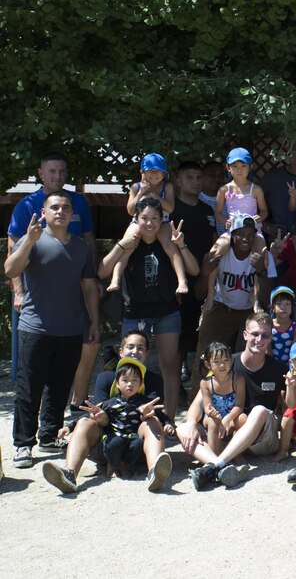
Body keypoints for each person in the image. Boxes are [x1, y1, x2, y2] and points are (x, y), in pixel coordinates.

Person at [5, 191, 99, 468]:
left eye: (66, 208)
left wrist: (94, 321)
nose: (61, 211)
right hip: (35, 327)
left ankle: (48, 436)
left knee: (59, 387)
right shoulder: (32, 240)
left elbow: (89, 287)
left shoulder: (81, 247)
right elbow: (10, 270)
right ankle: (23, 444)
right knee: (29, 388)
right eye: (55, 207)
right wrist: (28, 241)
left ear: (72, 214)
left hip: (70, 328)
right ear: (44, 212)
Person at [7, 153, 97, 413]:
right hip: (38, 290)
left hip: (75, 286)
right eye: (52, 171)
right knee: (32, 368)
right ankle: (26, 430)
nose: (58, 176)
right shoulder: (27, 205)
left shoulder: (77, 202)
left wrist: (93, 278)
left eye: (62, 171)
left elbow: (89, 241)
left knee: (83, 347)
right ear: (41, 174)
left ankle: (75, 406)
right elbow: (14, 247)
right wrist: (18, 290)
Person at [41, 331, 166, 493]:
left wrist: (149, 416)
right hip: (107, 445)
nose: (135, 351)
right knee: (85, 421)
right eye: (130, 347)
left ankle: (154, 472)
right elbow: (96, 412)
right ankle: (69, 474)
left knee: (152, 421)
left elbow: (160, 415)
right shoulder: (105, 378)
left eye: (140, 348)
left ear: (147, 354)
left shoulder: (154, 380)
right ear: (121, 351)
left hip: (138, 448)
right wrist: (83, 423)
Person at [184, 313, 287, 490]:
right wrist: (191, 423)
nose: (259, 339)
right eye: (255, 334)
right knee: (182, 429)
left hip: (260, 439)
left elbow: (289, 408)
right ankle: (217, 464)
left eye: (265, 335)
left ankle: (217, 464)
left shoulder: (278, 369)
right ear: (245, 335)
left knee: (259, 410)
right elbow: (199, 400)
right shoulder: (226, 362)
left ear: (271, 338)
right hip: (227, 432)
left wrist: (286, 443)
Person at [73, 357, 173, 491]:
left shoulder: (144, 403)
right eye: (125, 380)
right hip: (114, 436)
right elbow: (88, 416)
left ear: (141, 384)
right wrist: (69, 427)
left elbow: (162, 416)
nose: (130, 384)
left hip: (133, 437)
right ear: (117, 384)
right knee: (114, 442)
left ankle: (134, 468)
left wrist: (168, 424)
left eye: (135, 380)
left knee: (137, 443)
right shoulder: (110, 403)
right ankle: (112, 465)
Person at [197, 214, 277, 365]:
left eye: (250, 235)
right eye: (240, 234)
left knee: (264, 347)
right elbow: (198, 294)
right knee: (206, 354)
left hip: (250, 310)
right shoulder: (222, 253)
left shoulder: (262, 256)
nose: (246, 239)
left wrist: (261, 271)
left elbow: (267, 299)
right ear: (232, 236)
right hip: (222, 306)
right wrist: (204, 274)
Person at [107, 153, 187, 294]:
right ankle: (115, 278)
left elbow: (170, 208)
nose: (154, 174)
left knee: (170, 246)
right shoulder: (136, 187)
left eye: (158, 171)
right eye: (150, 171)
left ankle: (182, 281)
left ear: (164, 173)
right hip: (138, 221)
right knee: (128, 246)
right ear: (142, 172)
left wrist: (155, 196)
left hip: (162, 221)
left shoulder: (167, 186)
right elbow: (130, 211)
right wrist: (141, 193)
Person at [171, 161, 218, 386]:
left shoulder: (207, 210)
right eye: (189, 177)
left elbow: (213, 244)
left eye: (199, 177)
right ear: (178, 181)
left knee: (200, 327)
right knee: (178, 330)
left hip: (203, 276)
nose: (195, 182)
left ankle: (200, 375)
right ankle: (178, 377)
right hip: (177, 278)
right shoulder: (171, 210)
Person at [210, 147, 270, 260]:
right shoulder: (223, 189)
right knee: (214, 254)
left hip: (254, 230)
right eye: (235, 166)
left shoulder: (256, 189)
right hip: (232, 230)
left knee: (263, 256)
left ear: (250, 167)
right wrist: (225, 221)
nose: (239, 170)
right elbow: (217, 213)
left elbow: (264, 211)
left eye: (243, 166)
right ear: (228, 168)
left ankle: (264, 271)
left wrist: (260, 217)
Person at [196, 341, 247, 454]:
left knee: (243, 418)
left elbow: (239, 406)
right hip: (214, 418)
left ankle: (235, 453)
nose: (222, 365)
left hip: (231, 417)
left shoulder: (238, 379)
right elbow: (207, 407)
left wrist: (227, 419)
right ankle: (214, 457)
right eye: (217, 361)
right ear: (207, 364)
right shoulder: (205, 383)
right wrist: (212, 413)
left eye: (225, 360)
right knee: (212, 421)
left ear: (231, 360)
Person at [258, 141, 296, 237]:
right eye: (293, 147)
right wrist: (264, 225)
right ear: (287, 150)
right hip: (279, 237)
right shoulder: (272, 177)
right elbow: (249, 199)